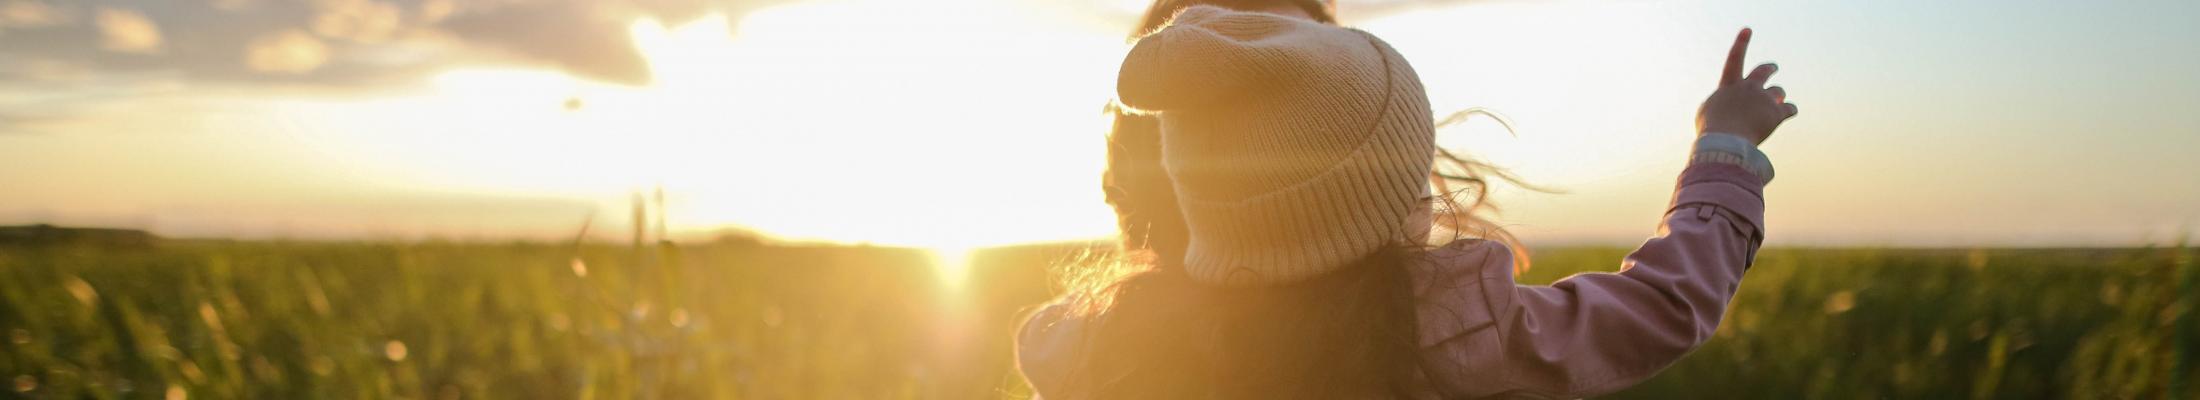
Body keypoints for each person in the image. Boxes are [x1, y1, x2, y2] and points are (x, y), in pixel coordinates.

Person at [1020, 0, 1796, 397]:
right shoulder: (1452, 328)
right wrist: (1723, 149)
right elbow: (1663, 305)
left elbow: (1045, 341)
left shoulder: (1096, 344)